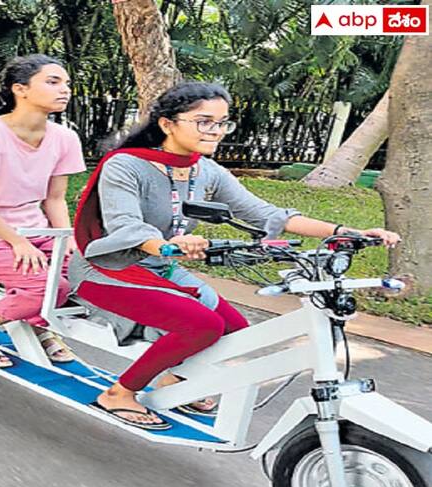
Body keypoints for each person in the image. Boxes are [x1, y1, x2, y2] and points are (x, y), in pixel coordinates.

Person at [70, 81, 401, 430]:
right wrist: (169, 246)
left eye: (222, 122)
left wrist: (345, 232)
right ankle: (119, 393)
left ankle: (172, 380)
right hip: (108, 269)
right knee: (201, 325)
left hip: (161, 269)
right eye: (203, 121)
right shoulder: (125, 165)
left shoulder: (206, 171)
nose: (215, 131)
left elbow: (266, 214)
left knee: (235, 329)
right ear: (167, 124)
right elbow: (126, 226)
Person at [0, 54, 86, 368]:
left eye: (66, 83)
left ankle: (37, 324)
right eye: (52, 82)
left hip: (36, 229)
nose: (64, 89)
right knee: (47, 287)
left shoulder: (65, 138)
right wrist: (17, 242)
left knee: (82, 273)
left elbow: (55, 199)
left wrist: (70, 241)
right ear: (20, 89)